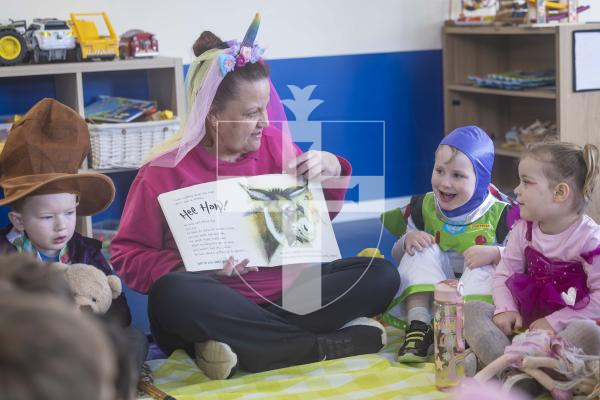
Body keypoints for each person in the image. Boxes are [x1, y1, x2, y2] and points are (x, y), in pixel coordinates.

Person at [111, 14, 400, 380]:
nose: (265, 121)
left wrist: (332, 169)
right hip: (212, 301)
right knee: (173, 291)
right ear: (213, 116)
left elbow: (317, 222)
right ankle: (318, 345)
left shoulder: (276, 147)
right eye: (251, 113)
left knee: (381, 275)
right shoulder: (161, 173)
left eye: (265, 107)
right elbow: (126, 255)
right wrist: (191, 265)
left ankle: (244, 345)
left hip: (290, 298)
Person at [0, 98, 147, 380]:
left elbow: (119, 309)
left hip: (84, 347)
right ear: (19, 221)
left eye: (69, 213)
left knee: (134, 339)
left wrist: (90, 315)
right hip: (31, 350)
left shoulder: (84, 250)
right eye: (47, 218)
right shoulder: (7, 255)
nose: (61, 226)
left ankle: (96, 385)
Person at [464, 141, 600, 378]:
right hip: (523, 325)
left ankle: (524, 374)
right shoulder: (523, 229)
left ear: (559, 193)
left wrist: (555, 322)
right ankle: (510, 369)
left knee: (587, 332)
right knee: (471, 310)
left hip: (564, 330)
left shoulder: (590, 240)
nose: (516, 190)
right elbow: (504, 272)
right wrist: (505, 309)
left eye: (526, 182)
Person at [382, 126, 514, 363]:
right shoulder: (424, 207)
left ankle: (469, 336)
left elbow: (521, 260)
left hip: (476, 306)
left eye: (458, 175)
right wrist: (407, 241)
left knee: (482, 266)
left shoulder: (501, 214)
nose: (445, 182)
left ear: (481, 178)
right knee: (421, 248)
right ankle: (419, 326)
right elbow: (398, 257)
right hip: (436, 301)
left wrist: (495, 253)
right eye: (439, 170)